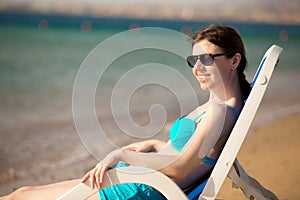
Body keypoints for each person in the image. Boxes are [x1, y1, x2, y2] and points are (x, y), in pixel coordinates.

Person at [1, 25, 251, 200]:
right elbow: (189, 153)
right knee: (21, 194)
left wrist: (120, 154)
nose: (197, 68)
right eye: (192, 61)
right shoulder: (220, 109)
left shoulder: (220, 111)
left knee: (20, 196)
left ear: (234, 60)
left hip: (139, 190)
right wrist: (155, 144)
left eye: (206, 59)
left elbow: (179, 169)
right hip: (138, 182)